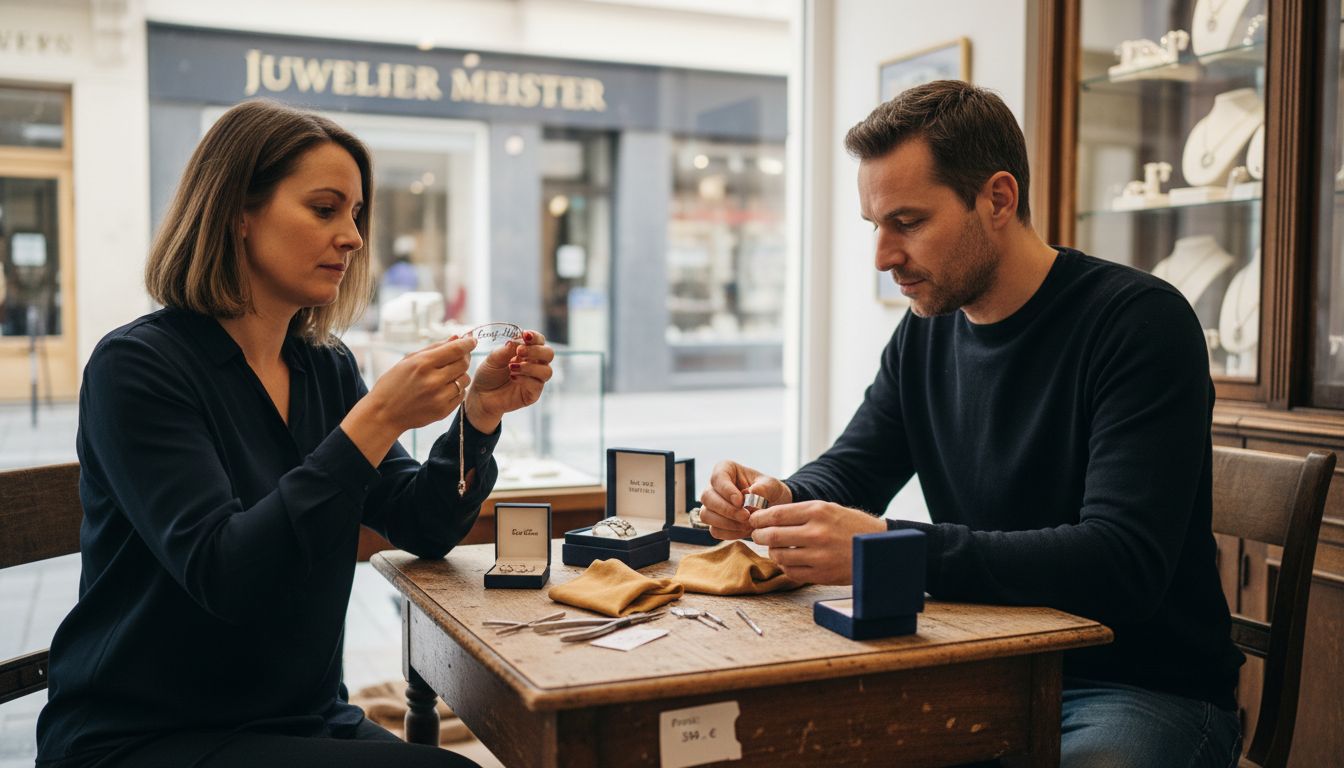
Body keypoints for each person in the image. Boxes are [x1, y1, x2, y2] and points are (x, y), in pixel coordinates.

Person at [698, 80, 1243, 767]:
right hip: (981, 669)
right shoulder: (925, 335)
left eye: (909, 222)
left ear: (997, 199)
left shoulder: (1138, 323)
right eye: (876, 226)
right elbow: (856, 467)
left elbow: (1121, 562)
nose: (883, 257)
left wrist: (890, 546)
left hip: (1136, 687)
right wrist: (781, 499)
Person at [35, 99, 555, 768]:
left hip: (304, 718)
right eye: (324, 209)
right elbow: (225, 574)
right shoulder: (138, 368)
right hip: (147, 733)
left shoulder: (321, 365)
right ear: (237, 213)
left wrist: (479, 418)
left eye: (357, 214)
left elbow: (420, 524)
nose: (354, 237)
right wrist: (378, 420)